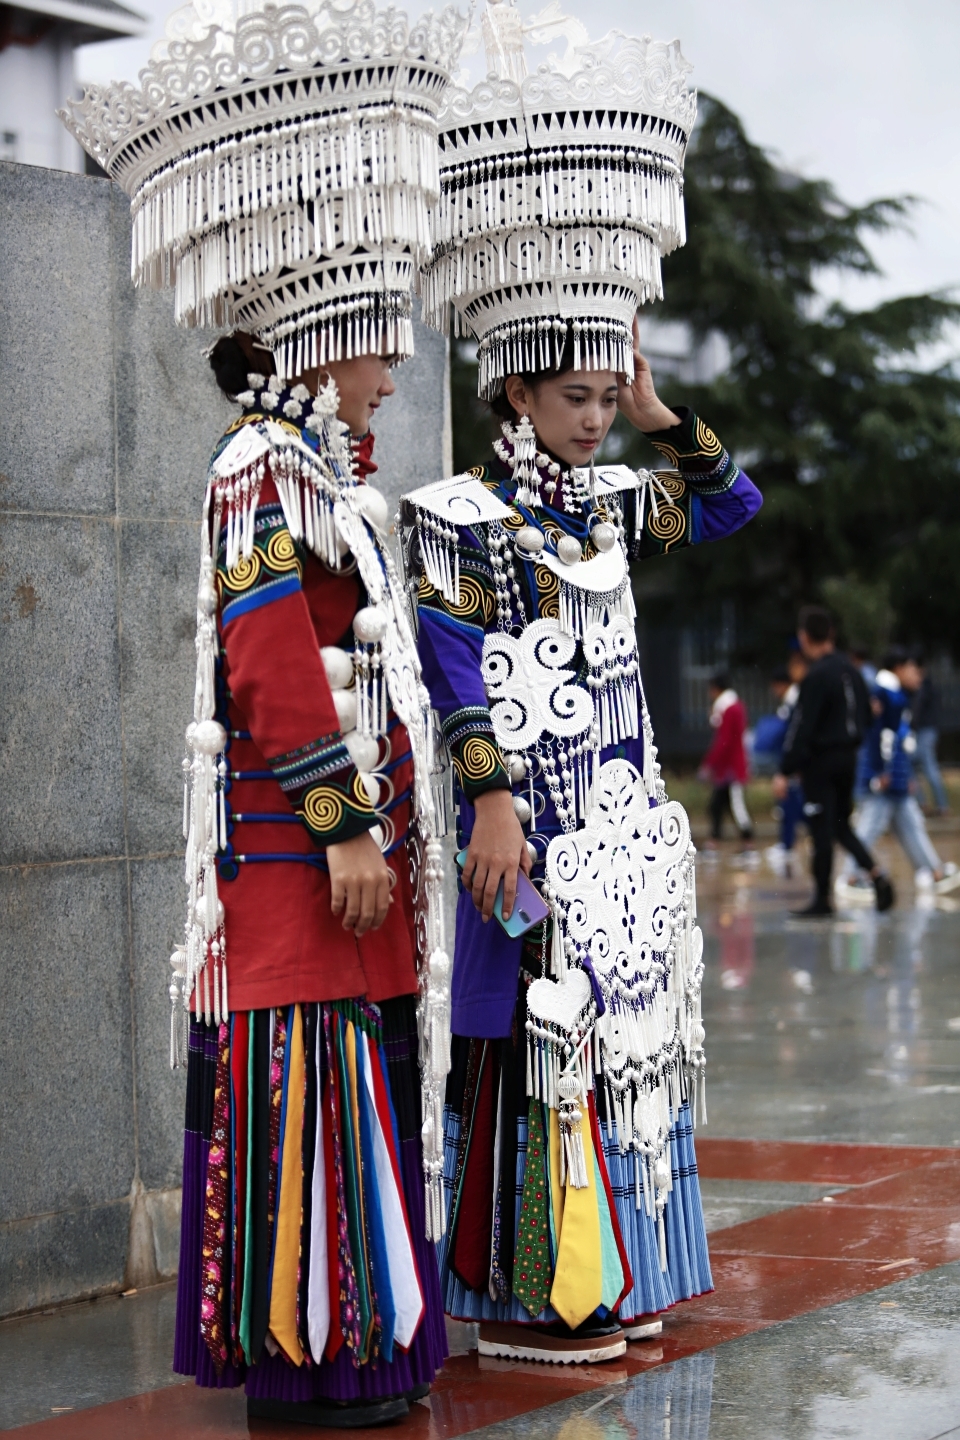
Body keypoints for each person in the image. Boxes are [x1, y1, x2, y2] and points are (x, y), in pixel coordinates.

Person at [62, 1, 466, 1426]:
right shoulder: (261, 464)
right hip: (299, 853)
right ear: (327, 327)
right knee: (302, 1079)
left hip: (327, 854)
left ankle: (351, 1344)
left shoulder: (308, 468)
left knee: (333, 1075)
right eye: (382, 336)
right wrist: (348, 824)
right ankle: (314, 1356)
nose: (400, 363)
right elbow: (269, 658)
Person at [406, 20, 763, 1364]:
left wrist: (670, 420)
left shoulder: (619, 503)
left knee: (628, 1054)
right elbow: (452, 675)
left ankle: (626, 1275)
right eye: (579, 395)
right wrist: (492, 805)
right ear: (510, 389)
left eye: (609, 395)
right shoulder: (455, 516)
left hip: (627, 841)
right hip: (531, 838)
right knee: (539, 1054)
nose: (597, 415)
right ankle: (520, 1302)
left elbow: (732, 506)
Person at [774, 606, 894, 917]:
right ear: (831, 634)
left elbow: (803, 726)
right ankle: (877, 875)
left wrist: (785, 769)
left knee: (822, 830)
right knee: (841, 825)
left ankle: (822, 900)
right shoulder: (851, 671)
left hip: (821, 763)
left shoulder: (816, 676)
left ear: (804, 638)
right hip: (848, 760)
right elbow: (867, 715)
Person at [840, 649, 958, 897]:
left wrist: (903, 776)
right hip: (884, 779)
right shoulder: (887, 695)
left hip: (893, 778)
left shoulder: (892, 695)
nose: (918, 676)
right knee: (869, 827)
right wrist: (882, 773)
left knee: (911, 824)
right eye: (913, 670)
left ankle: (933, 871)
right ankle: (850, 876)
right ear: (899, 668)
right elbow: (881, 738)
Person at [756, 653, 807, 876]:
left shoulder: (795, 700)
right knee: (791, 803)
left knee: (791, 803)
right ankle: (786, 844)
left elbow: (792, 735)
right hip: (792, 761)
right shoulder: (791, 701)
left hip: (794, 762)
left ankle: (787, 845)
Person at [699, 673, 754, 849]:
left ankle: (747, 839)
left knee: (735, 805)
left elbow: (724, 741)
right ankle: (716, 839)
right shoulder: (733, 707)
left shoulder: (729, 709)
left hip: (731, 766)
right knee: (718, 803)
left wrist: (709, 763)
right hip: (729, 766)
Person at [908, 653, 950, 815]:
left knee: (928, 767)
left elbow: (917, 710)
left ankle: (941, 805)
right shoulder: (921, 686)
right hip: (921, 730)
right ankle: (923, 803)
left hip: (925, 730)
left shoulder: (924, 686)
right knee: (913, 766)